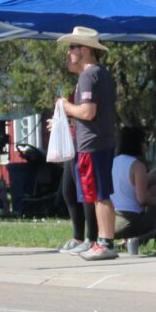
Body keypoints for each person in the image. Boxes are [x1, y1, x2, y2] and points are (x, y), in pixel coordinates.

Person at [54, 27, 119, 261]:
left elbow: (88, 112)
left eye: (73, 47)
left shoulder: (89, 75)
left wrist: (64, 106)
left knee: (101, 194)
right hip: (96, 142)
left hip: (93, 143)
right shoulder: (99, 74)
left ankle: (106, 242)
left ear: (85, 49)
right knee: (96, 193)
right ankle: (101, 240)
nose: (69, 52)